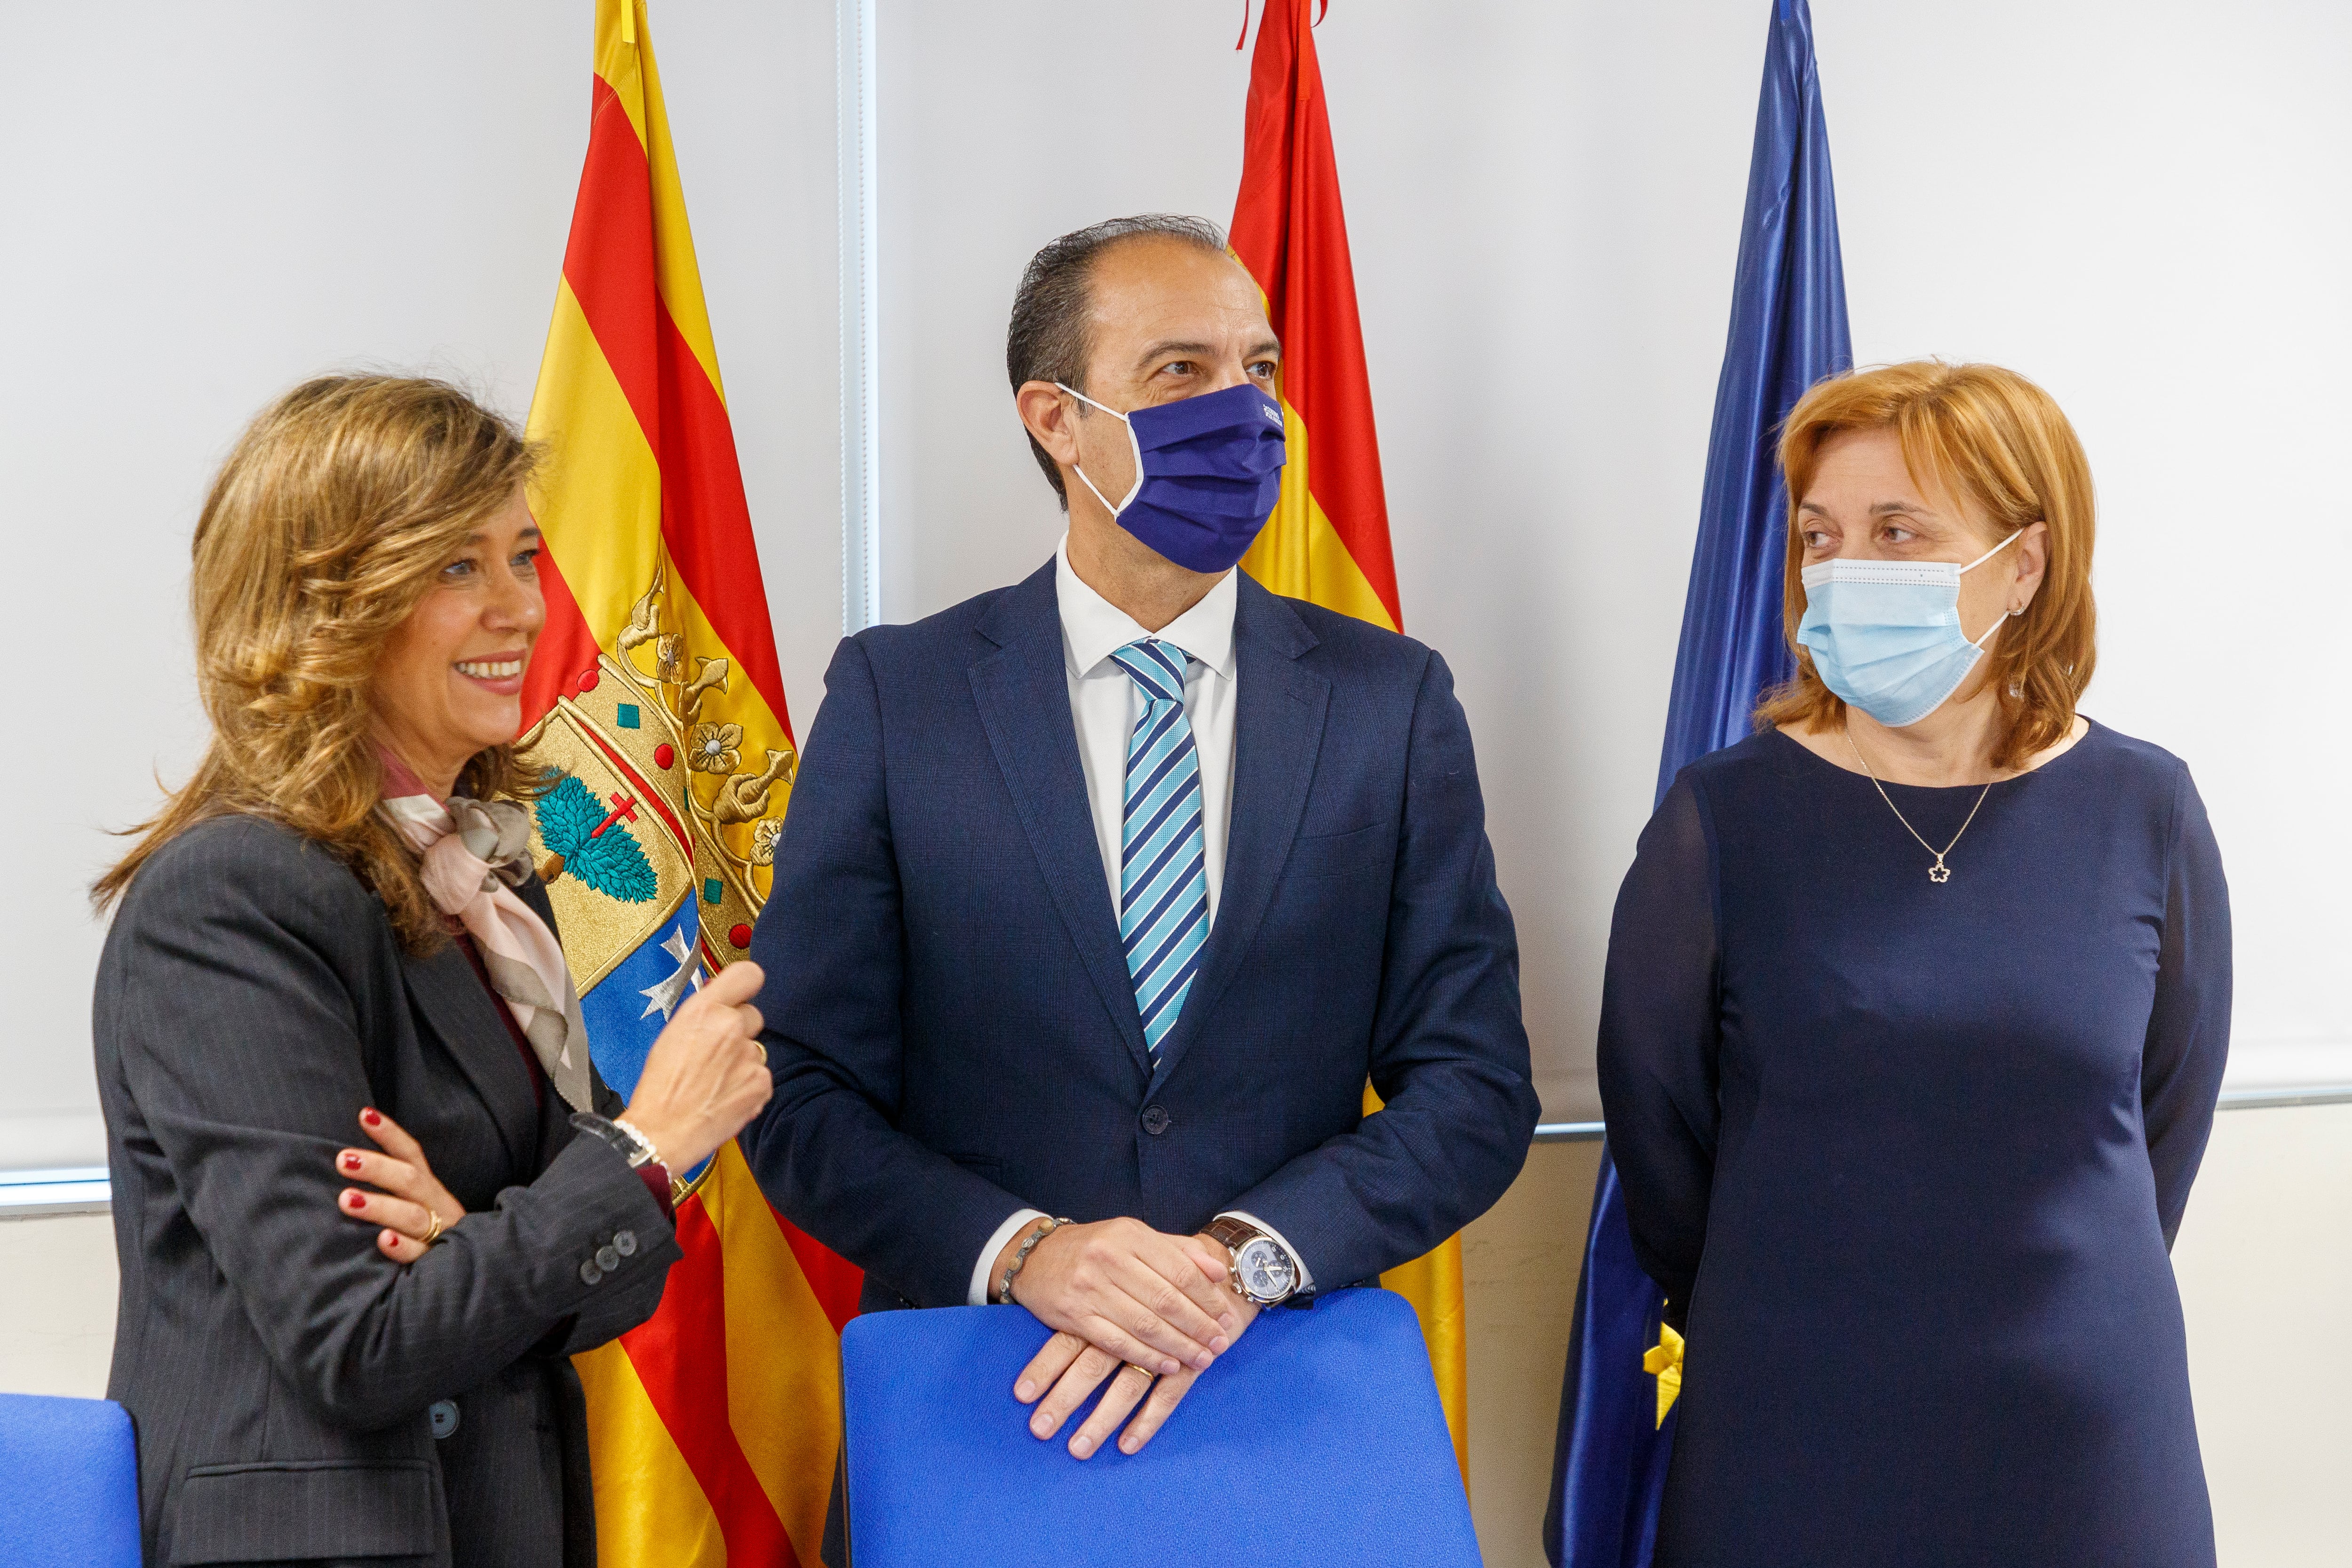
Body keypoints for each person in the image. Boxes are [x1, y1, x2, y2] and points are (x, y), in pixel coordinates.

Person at [743, 214, 1539, 1475]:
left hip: (1282, 1400)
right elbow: (799, 1086)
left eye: (1259, 368)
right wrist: (1028, 1250)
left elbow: (1476, 1087)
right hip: (985, 1406)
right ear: (1056, 419)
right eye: (1183, 370)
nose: (1245, 407)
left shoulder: (1390, 702)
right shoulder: (904, 696)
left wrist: (1241, 1257)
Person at [92, 375, 774, 1568]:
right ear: (325, 605)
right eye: (457, 568)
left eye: (521, 557)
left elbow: (593, 1287)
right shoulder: (233, 895)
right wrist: (645, 1149)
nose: (520, 608)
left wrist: (481, 1236)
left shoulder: (484, 883)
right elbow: (362, 1339)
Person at [1598, 360, 2230, 1567]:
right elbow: (1658, 1140)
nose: (1843, 570)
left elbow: (2163, 1122)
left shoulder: (2146, 806)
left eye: (1898, 531)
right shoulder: (1723, 818)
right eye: (1820, 536)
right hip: (1788, 1426)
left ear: (2023, 565)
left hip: (2085, 1434)